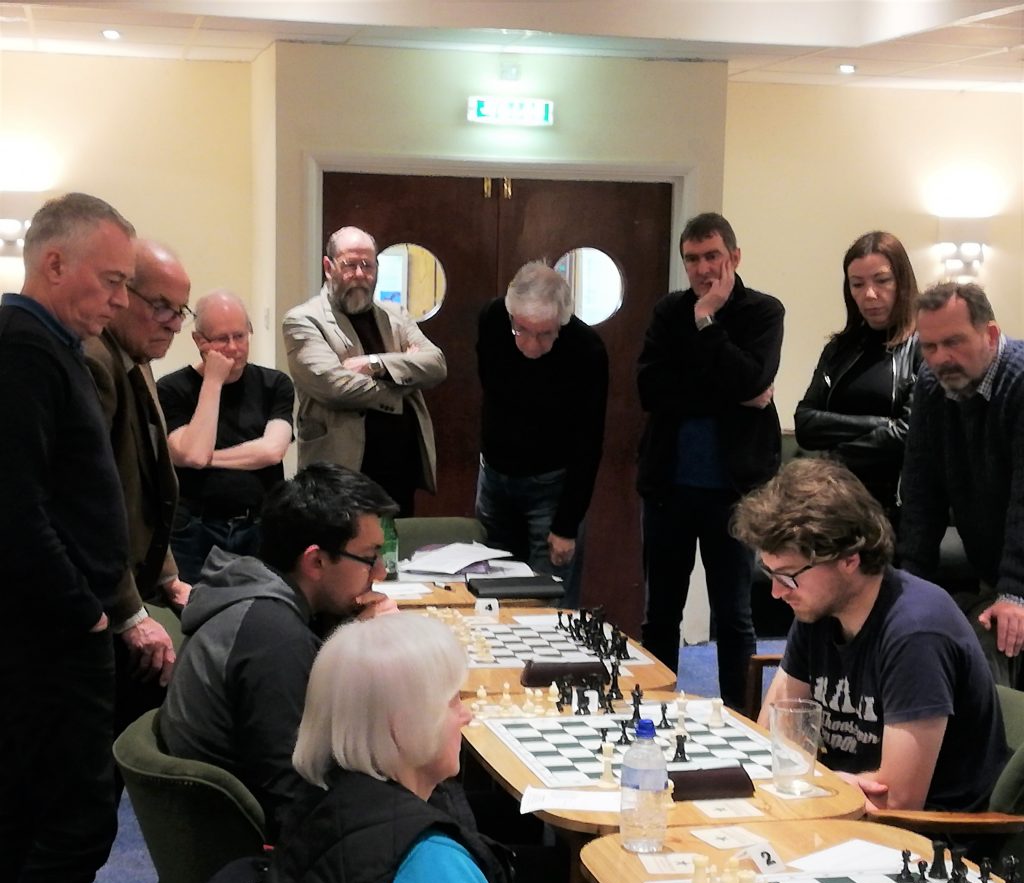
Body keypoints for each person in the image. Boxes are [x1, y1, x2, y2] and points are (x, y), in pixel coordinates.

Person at [263, 613, 618, 883]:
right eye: (451, 701)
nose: (465, 715)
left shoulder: (319, 803)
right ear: (403, 725)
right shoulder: (427, 863)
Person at [0, 192, 134, 883]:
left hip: (55, 632)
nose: (119, 300)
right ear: (55, 263)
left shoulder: (46, 346)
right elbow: (14, 507)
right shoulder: (24, 349)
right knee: (71, 819)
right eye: (111, 280)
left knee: (49, 814)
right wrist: (84, 611)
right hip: (49, 640)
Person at [733, 459, 1007, 813]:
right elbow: (772, 741)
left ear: (849, 559)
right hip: (842, 808)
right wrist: (821, 780)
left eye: (788, 576)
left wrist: (812, 779)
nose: (776, 592)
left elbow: (897, 801)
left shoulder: (917, 633)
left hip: (929, 841)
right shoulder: (817, 609)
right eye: (769, 573)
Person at [159, 463, 398, 839]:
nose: (380, 573)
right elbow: (295, 798)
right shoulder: (273, 639)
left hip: (235, 826)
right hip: (252, 852)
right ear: (316, 561)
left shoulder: (259, 600)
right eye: (370, 557)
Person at [79, 239, 193, 883]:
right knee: (85, 786)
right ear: (122, 297)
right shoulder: (95, 364)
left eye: (179, 312)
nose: (171, 324)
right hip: (96, 609)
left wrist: (171, 577)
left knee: (101, 782)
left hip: (134, 588)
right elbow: (99, 506)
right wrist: (130, 610)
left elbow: (150, 495)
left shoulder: (138, 363)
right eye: (161, 306)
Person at [637, 212, 784, 707]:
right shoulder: (666, 311)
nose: (702, 269)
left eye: (712, 256)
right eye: (692, 259)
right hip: (669, 488)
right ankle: (654, 715)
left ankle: (740, 721)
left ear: (734, 257)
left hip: (735, 492)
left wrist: (707, 321)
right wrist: (730, 390)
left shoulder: (764, 312)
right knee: (661, 614)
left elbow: (750, 379)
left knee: (734, 616)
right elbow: (651, 390)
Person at [898, 282, 1024, 691]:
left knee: (993, 645)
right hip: (993, 569)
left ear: (990, 334)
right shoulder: (933, 387)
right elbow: (921, 494)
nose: (940, 359)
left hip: (1013, 576)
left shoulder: (1019, 384)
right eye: (929, 346)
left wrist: (1014, 593)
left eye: (953, 342)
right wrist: (907, 585)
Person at [282, 226, 447, 515]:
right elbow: (336, 387)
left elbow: (436, 364)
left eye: (367, 265)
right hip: (341, 471)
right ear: (328, 266)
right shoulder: (304, 321)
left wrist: (376, 364)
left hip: (398, 469)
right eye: (349, 265)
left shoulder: (395, 315)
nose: (359, 274)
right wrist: (405, 378)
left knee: (393, 553)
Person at [476, 261, 608, 608]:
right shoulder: (493, 320)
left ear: (562, 323)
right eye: (522, 330)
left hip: (552, 490)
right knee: (491, 599)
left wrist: (566, 526)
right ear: (510, 316)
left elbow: (589, 443)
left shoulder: (586, 349)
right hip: (494, 481)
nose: (531, 345)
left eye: (545, 333)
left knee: (547, 602)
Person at [157, 289, 294, 583]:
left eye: (240, 336)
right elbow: (191, 453)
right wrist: (214, 382)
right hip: (195, 529)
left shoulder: (275, 384)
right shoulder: (170, 389)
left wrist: (207, 458)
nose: (233, 348)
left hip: (260, 524)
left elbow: (271, 451)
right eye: (222, 339)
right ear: (199, 341)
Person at [794, 231, 921, 522]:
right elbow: (805, 423)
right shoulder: (839, 349)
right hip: (836, 503)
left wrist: (837, 455)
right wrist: (882, 424)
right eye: (857, 284)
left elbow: (910, 434)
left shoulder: (924, 347)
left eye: (882, 280)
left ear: (902, 281)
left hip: (897, 506)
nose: (870, 294)